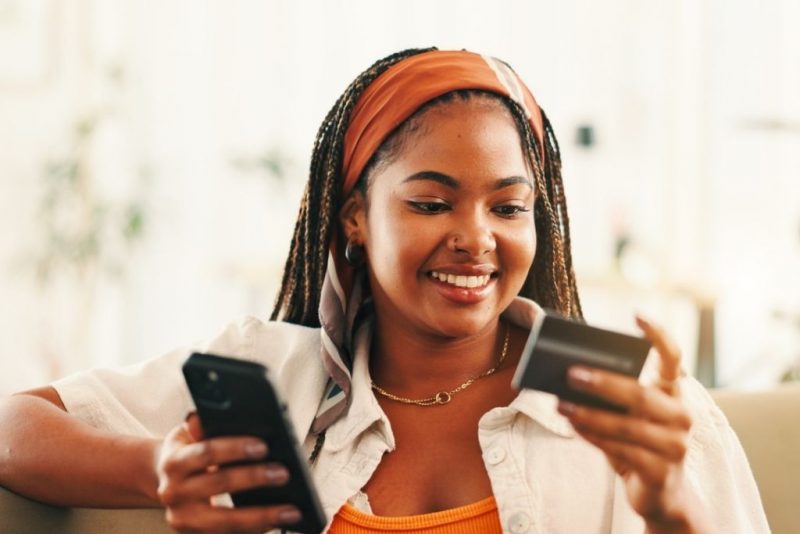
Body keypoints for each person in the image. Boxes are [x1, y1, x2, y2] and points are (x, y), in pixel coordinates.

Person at [0, 48, 768, 533]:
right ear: (356, 218)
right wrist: (155, 468)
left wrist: (672, 515)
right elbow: (14, 425)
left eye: (509, 206)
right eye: (431, 203)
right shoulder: (273, 370)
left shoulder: (621, 389)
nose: (477, 237)